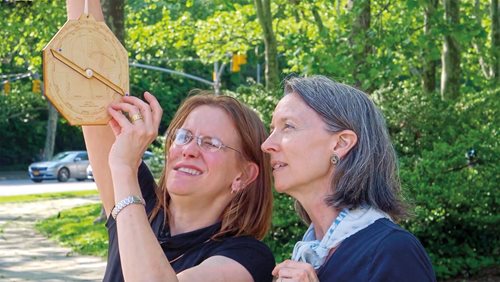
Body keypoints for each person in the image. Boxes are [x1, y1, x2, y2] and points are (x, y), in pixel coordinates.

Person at [68, 2, 275, 281]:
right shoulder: (139, 204)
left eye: (210, 143)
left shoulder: (248, 258)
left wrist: (124, 169)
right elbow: (87, 68)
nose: (189, 150)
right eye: (184, 136)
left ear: (244, 174)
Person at [262, 76, 436, 282]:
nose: (266, 145)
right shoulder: (308, 257)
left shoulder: (393, 251)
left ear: (341, 144)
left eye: (288, 126)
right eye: (272, 129)